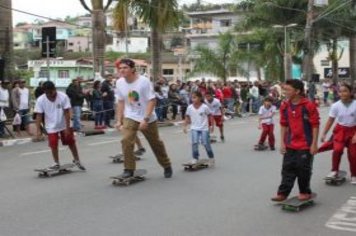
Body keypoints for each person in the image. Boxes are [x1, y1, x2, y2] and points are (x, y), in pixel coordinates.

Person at [115, 59, 172, 178]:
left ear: (132, 69)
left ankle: (166, 165)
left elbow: (152, 100)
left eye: (125, 68)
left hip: (147, 117)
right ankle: (129, 169)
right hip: (130, 115)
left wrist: (145, 119)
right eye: (120, 68)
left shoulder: (143, 81)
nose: (122, 70)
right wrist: (118, 120)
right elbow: (120, 102)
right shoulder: (119, 82)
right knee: (126, 140)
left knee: (156, 143)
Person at [271, 79, 319, 202]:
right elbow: (283, 125)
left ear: (297, 91)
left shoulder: (308, 105)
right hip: (290, 143)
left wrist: (314, 144)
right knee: (287, 168)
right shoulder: (285, 106)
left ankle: (304, 192)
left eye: (288, 89)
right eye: (284, 89)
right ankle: (282, 193)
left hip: (305, 145)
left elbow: (315, 125)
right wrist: (282, 142)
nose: (285, 92)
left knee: (303, 169)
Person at [34, 81, 86, 170]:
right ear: (44, 92)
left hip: (64, 123)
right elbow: (38, 115)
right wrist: (38, 130)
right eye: (47, 93)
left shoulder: (63, 97)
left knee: (70, 142)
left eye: (51, 92)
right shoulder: (41, 100)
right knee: (53, 143)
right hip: (51, 125)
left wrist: (67, 127)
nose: (50, 95)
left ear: (55, 89)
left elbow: (66, 112)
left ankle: (77, 160)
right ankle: (56, 162)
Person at [320, 83, 356, 184]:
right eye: (340, 91)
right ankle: (334, 171)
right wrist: (324, 133)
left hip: (353, 131)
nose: (342, 93)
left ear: (351, 92)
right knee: (337, 150)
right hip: (340, 130)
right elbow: (330, 120)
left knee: (353, 155)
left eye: (345, 91)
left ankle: (354, 175)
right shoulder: (335, 106)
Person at [183, 91, 215, 166]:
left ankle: (211, 158)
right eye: (192, 98)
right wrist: (185, 126)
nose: (193, 99)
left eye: (195, 97)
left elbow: (210, 116)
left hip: (204, 128)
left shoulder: (205, 107)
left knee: (206, 143)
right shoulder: (190, 107)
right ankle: (195, 158)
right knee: (194, 143)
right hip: (194, 128)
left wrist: (212, 126)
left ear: (200, 98)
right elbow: (187, 116)